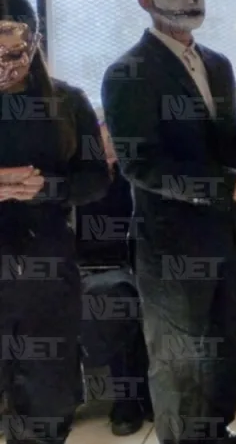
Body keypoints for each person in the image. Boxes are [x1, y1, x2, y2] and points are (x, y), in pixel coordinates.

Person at [102, 0, 236, 444]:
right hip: (170, 245)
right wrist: (229, 185)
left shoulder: (218, 65)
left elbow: (225, 148)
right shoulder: (127, 73)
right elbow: (141, 166)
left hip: (226, 235)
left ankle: (217, 433)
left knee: (228, 342)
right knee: (180, 359)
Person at [0, 0, 111, 444]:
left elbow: (95, 181)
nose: (6, 65)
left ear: (34, 41)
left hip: (46, 269)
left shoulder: (66, 101)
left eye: (13, 50)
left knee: (47, 403)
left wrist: (48, 188)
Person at [77, 115, 153, 436]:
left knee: (125, 297)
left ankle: (134, 398)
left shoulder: (136, 178)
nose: (107, 148)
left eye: (113, 141)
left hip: (132, 267)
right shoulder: (76, 182)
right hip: (83, 271)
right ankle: (129, 398)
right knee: (111, 298)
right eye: (101, 140)